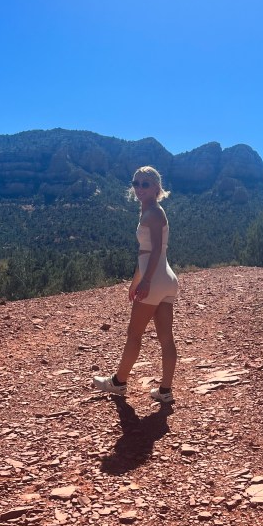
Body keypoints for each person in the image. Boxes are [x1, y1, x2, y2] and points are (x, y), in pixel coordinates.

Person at [93, 166, 178, 403]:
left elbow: (155, 250)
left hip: (155, 278)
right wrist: (136, 281)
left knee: (134, 335)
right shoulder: (151, 211)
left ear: (157, 188)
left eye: (145, 184)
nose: (139, 188)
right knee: (166, 338)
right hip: (167, 279)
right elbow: (146, 253)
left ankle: (118, 382)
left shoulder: (153, 213)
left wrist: (146, 281)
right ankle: (165, 391)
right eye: (136, 183)